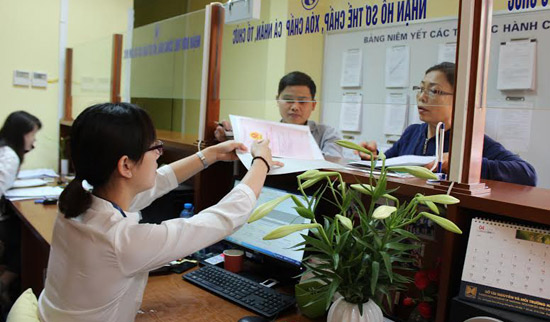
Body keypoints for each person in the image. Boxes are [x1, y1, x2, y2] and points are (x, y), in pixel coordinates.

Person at [37, 103, 281, 321]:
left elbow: (159, 181)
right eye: (154, 147)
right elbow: (223, 219)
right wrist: (262, 163)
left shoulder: (79, 200)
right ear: (125, 165)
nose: (159, 154)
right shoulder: (120, 239)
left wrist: (210, 155)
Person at [359, 62, 537, 186]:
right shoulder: (412, 133)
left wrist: (466, 164)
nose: (422, 97)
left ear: (458, 99)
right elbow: (389, 163)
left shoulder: (470, 141)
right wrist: (373, 157)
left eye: (434, 91)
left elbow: (527, 174)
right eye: (421, 89)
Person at [215, 71, 344, 157]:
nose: (295, 107)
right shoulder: (264, 132)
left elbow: (333, 163)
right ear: (278, 100)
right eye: (288, 100)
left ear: (313, 105)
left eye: (302, 101)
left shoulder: (327, 134)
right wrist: (227, 135)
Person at [0, 111, 42, 310]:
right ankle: (6, 282)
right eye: (32, 135)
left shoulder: (5, 150)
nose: (33, 141)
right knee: (26, 235)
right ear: (21, 134)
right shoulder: (10, 156)